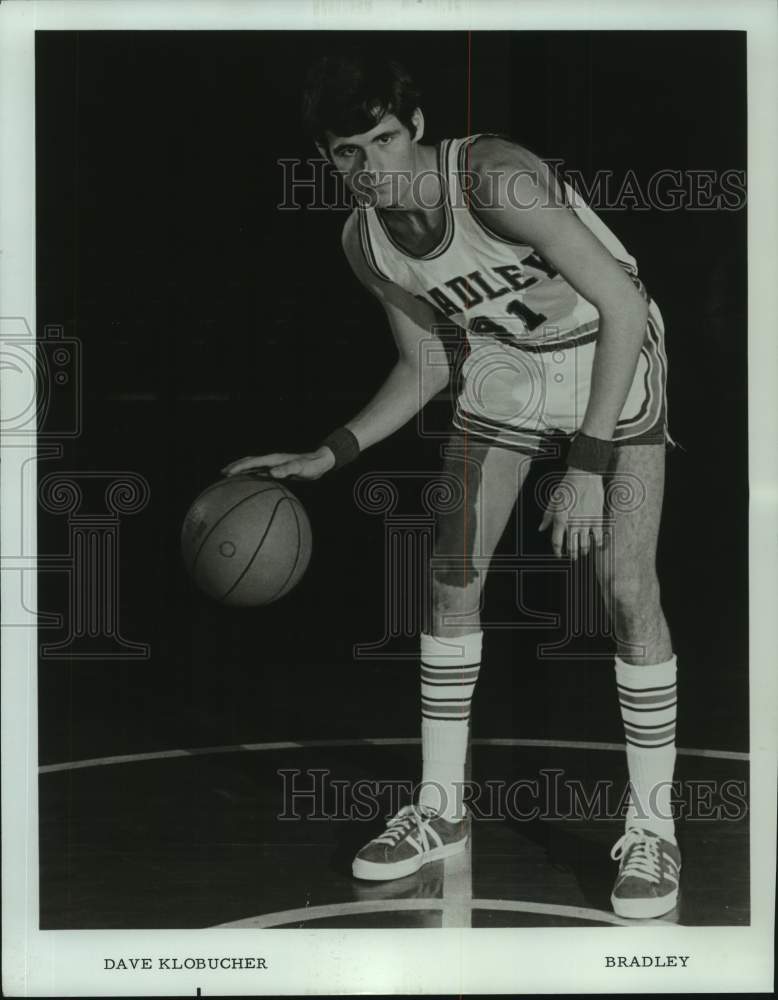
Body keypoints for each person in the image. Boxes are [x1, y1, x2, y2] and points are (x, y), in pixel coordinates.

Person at [222, 52, 680, 920]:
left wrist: (585, 466)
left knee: (625, 587)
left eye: (385, 140)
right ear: (327, 160)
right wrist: (332, 452)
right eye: (349, 153)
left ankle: (654, 826)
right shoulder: (365, 239)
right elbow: (426, 360)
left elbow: (622, 305)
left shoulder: (497, 182)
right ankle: (441, 811)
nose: (373, 167)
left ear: (417, 128)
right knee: (448, 580)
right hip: (507, 368)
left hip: (610, 358)